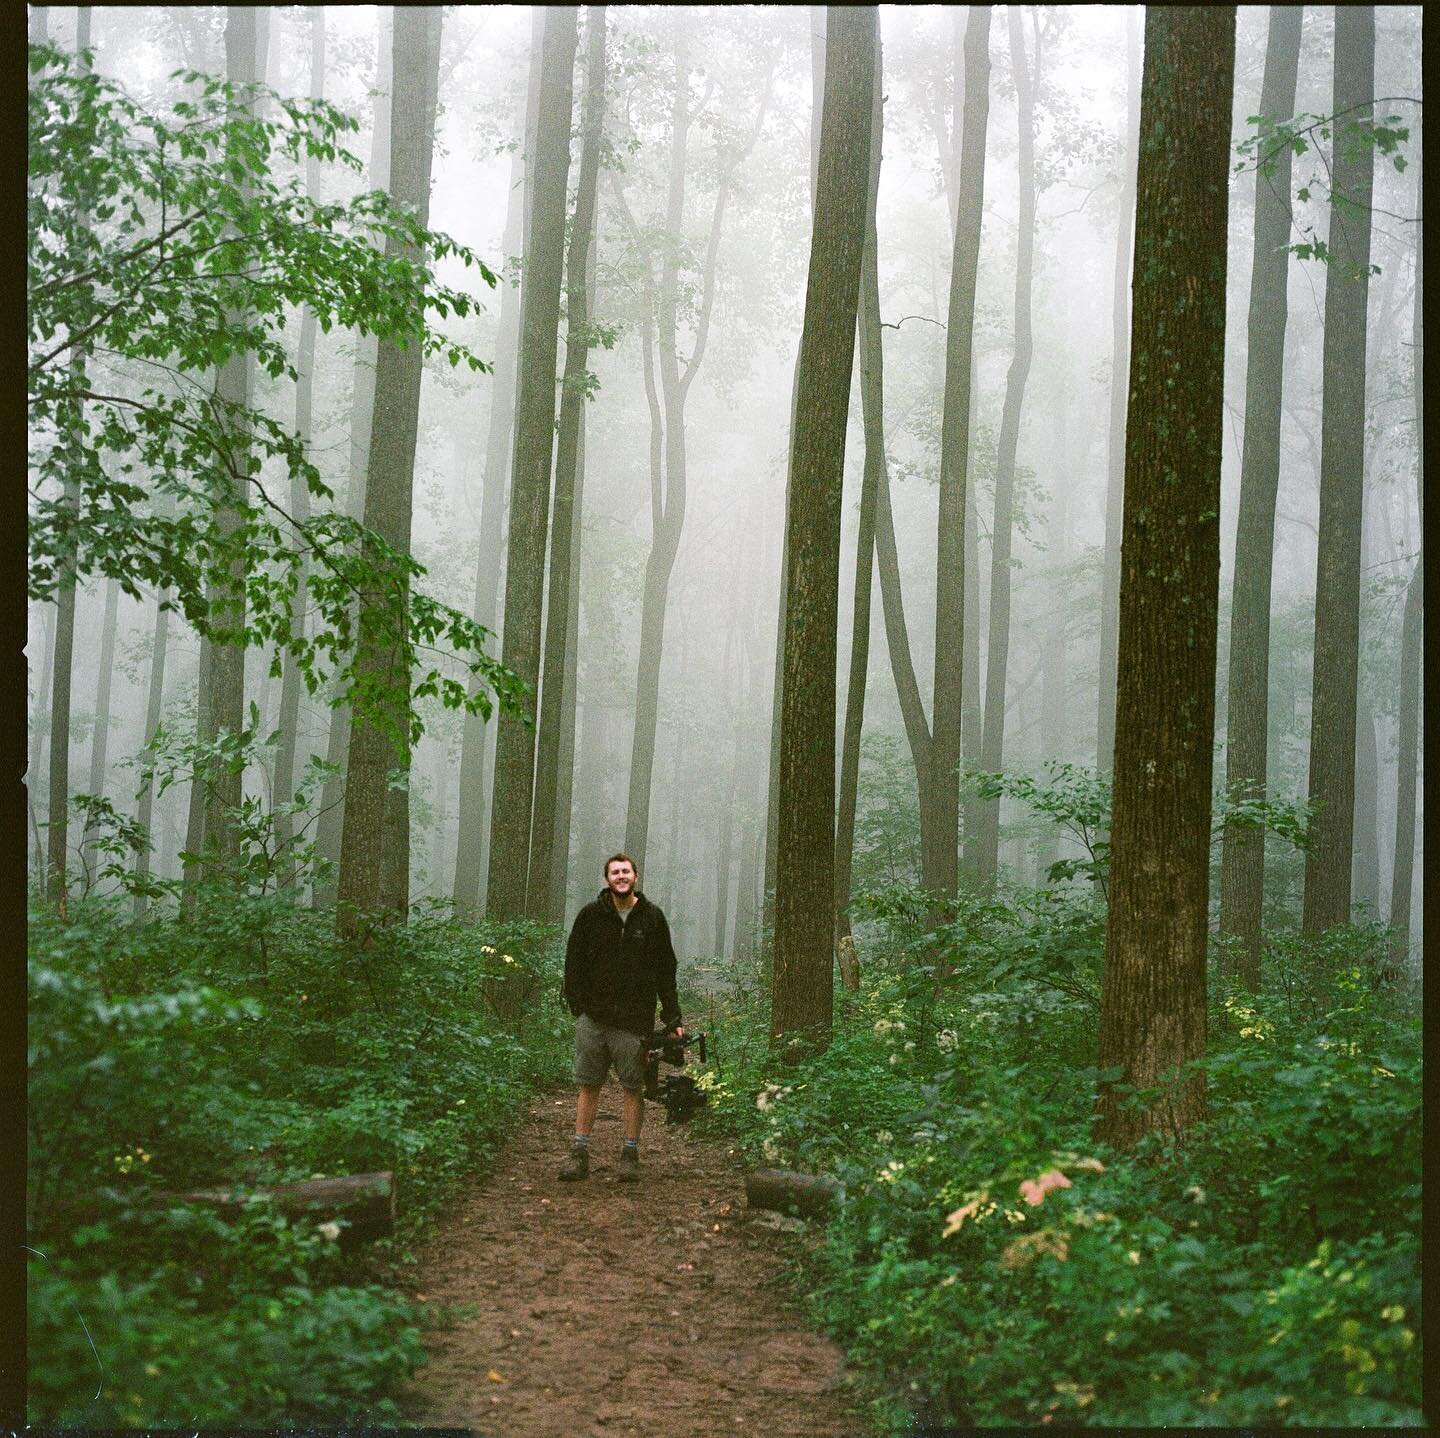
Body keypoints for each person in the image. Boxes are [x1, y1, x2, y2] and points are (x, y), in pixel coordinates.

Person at [559, 852, 683, 1183]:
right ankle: (579, 1152)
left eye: (626, 871)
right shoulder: (590, 916)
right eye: (614, 872)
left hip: (633, 1021)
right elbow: (573, 962)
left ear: (636, 876)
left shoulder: (652, 918)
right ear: (607, 879)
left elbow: (665, 970)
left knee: (633, 1087)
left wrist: (673, 1017)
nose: (621, 876)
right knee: (588, 1085)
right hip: (594, 1019)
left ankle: (630, 1153)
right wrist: (578, 1004)